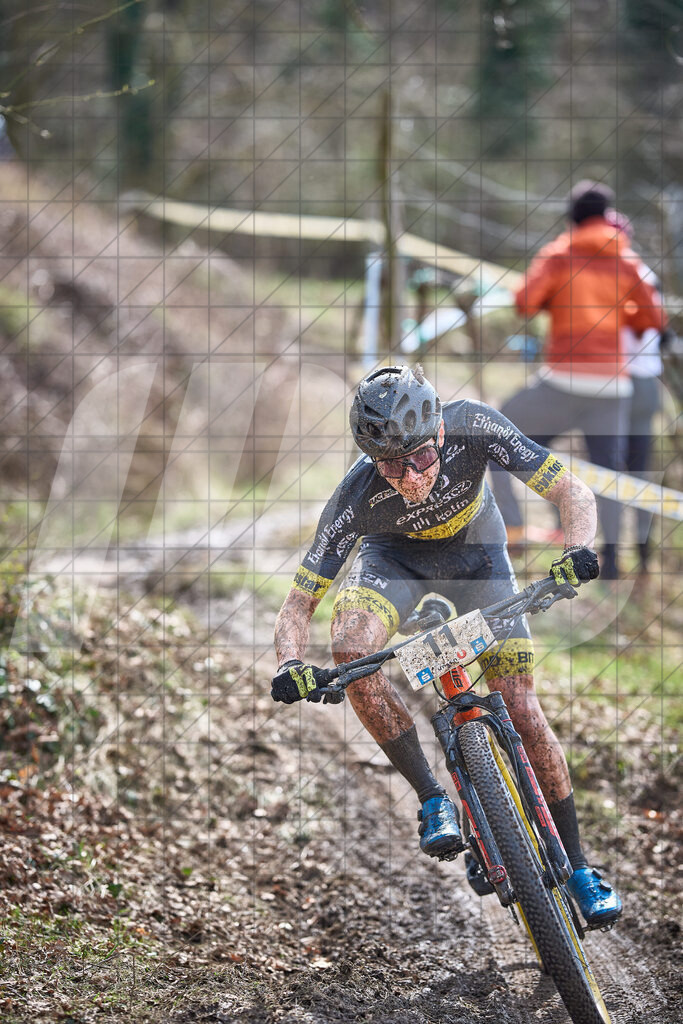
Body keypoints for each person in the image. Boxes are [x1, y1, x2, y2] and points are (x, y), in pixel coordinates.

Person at [271, 364, 622, 927]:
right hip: (396, 565)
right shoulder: (356, 496)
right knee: (350, 650)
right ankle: (433, 797)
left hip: (480, 562)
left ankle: (579, 866)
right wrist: (290, 662)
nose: (409, 477)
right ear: (370, 458)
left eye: (421, 457)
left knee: (524, 710)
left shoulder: (474, 425)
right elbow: (297, 604)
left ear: (439, 434)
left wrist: (579, 549)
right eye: (390, 464)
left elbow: (570, 489)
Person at [491, 181, 666, 579]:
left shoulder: (560, 254)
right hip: (613, 386)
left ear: (572, 215)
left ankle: (513, 530)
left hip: (564, 379)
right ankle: (614, 561)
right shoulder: (627, 260)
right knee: (610, 473)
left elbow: (523, 302)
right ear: (606, 217)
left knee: (495, 438)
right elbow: (652, 320)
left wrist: (557, 299)